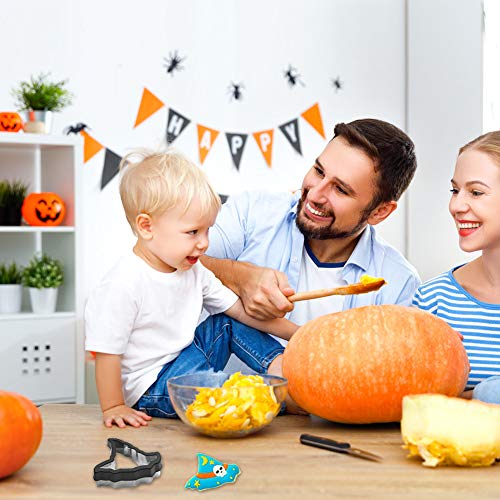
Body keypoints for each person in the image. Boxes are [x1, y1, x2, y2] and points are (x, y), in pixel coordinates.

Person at [85, 149, 298, 428]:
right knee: (224, 392)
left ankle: (287, 375)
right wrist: (114, 406)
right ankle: (274, 398)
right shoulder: (124, 282)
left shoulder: (195, 271)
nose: (204, 243)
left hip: (184, 363)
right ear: (147, 227)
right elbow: (106, 353)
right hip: (153, 388)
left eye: (208, 230)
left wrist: (302, 335)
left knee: (226, 322)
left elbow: (240, 312)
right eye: (193, 232)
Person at [202, 118, 420, 340]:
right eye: (319, 171)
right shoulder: (252, 213)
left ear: (379, 212)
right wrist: (238, 276)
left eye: (341, 190)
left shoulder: (399, 284)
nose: (314, 195)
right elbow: (172, 260)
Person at [413, 131, 500, 404]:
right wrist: (481, 395)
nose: (456, 205)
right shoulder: (433, 301)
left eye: (475, 192)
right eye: (454, 190)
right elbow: (414, 401)